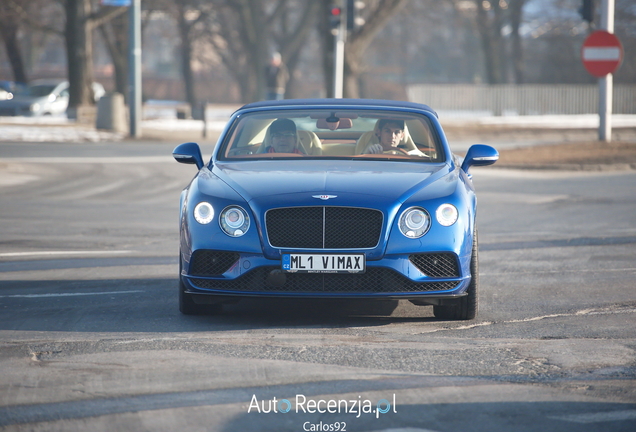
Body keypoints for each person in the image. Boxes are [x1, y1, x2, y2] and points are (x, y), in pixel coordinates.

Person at [355, 119, 426, 156]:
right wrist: (369, 156)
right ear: (379, 133)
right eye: (387, 131)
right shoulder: (371, 153)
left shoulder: (408, 157)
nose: (392, 136)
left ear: (402, 136)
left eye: (397, 132)